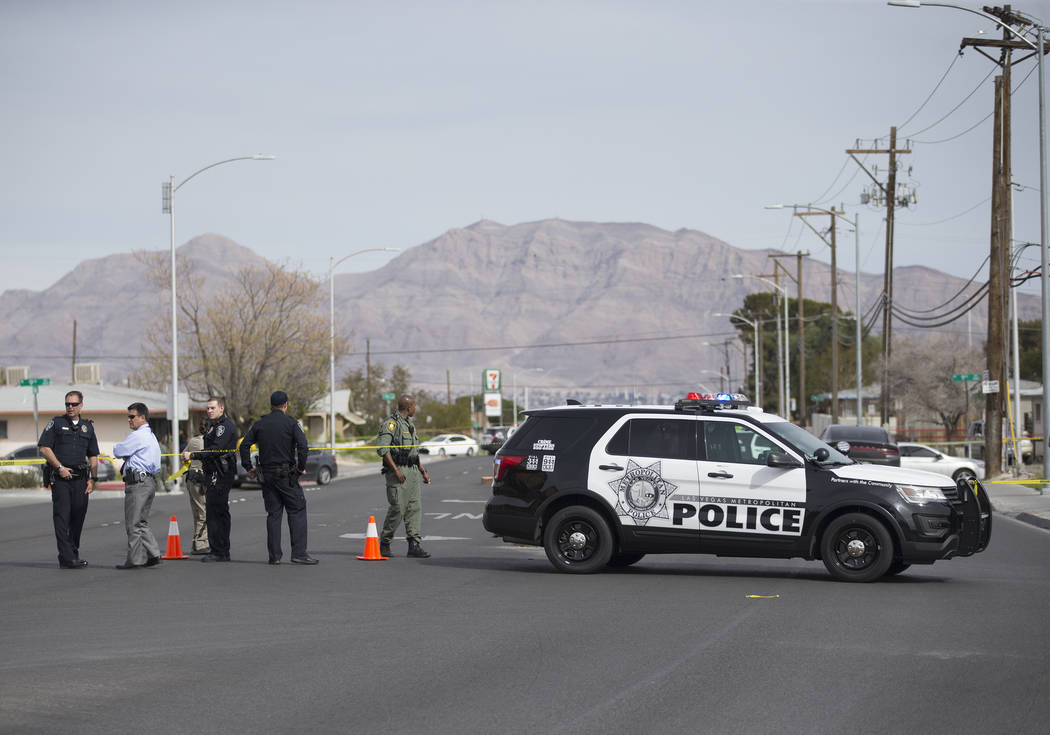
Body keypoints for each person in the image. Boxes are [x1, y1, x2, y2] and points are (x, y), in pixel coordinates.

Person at [240, 391, 318, 565]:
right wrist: (300, 468)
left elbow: (244, 445)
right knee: (297, 510)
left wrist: (249, 468)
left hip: (266, 475)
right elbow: (303, 446)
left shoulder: (259, 424)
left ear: (271, 405)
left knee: (273, 514)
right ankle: (299, 553)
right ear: (286, 404)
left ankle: (274, 556)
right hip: (286, 475)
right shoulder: (291, 423)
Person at [37, 390, 99, 569]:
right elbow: (44, 448)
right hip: (62, 479)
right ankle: (67, 556)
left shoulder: (87, 427)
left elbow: (93, 454)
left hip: (81, 479)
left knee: (78, 517)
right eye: (67, 404)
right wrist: (59, 467)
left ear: (81, 405)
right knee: (62, 518)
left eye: (73, 404)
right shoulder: (56, 423)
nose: (70, 407)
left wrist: (93, 479)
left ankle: (72, 552)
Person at [183, 397, 238, 563]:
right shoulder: (213, 427)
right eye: (207, 408)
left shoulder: (224, 427)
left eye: (212, 408)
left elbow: (216, 449)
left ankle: (220, 550)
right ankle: (218, 549)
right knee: (213, 512)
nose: (209, 411)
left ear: (221, 408)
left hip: (220, 473)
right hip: (212, 472)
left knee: (217, 512)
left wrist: (193, 455)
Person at [376, 394, 431, 558]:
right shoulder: (392, 424)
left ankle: (414, 544)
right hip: (398, 472)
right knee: (398, 508)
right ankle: (385, 542)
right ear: (409, 407)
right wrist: (396, 470)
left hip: (412, 472)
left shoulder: (410, 424)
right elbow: (382, 449)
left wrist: (423, 472)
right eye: (414, 406)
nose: (415, 409)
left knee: (414, 508)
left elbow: (413, 453)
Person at [113, 402, 163, 570]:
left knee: (133, 524)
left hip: (138, 484)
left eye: (132, 416)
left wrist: (116, 447)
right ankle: (154, 554)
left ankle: (135, 560)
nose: (129, 420)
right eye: (128, 416)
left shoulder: (139, 436)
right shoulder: (151, 435)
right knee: (141, 522)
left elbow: (119, 451)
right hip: (148, 481)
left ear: (142, 417)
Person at [183, 423, 210, 555]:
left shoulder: (193, 440)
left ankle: (198, 542)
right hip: (201, 477)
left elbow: (184, 456)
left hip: (191, 477)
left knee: (197, 510)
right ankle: (201, 543)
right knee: (203, 511)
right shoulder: (207, 442)